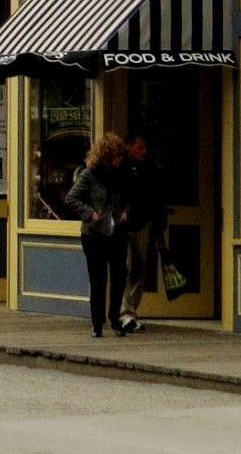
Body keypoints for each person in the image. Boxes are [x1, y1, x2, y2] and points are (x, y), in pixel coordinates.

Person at [65, 133, 132, 338]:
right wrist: (90, 213)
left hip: (117, 231)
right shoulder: (90, 174)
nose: (120, 160)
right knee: (98, 277)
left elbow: (129, 197)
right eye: (116, 156)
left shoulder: (122, 174)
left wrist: (125, 211)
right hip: (94, 233)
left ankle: (115, 318)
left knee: (119, 274)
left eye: (121, 157)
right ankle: (97, 322)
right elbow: (71, 198)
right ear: (106, 156)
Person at [119, 132, 165, 333]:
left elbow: (156, 200)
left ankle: (132, 311)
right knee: (125, 267)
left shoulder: (150, 170)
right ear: (129, 147)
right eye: (140, 148)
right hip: (122, 225)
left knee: (139, 269)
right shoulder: (119, 168)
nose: (143, 152)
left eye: (145, 148)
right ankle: (124, 312)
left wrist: (159, 227)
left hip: (143, 223)